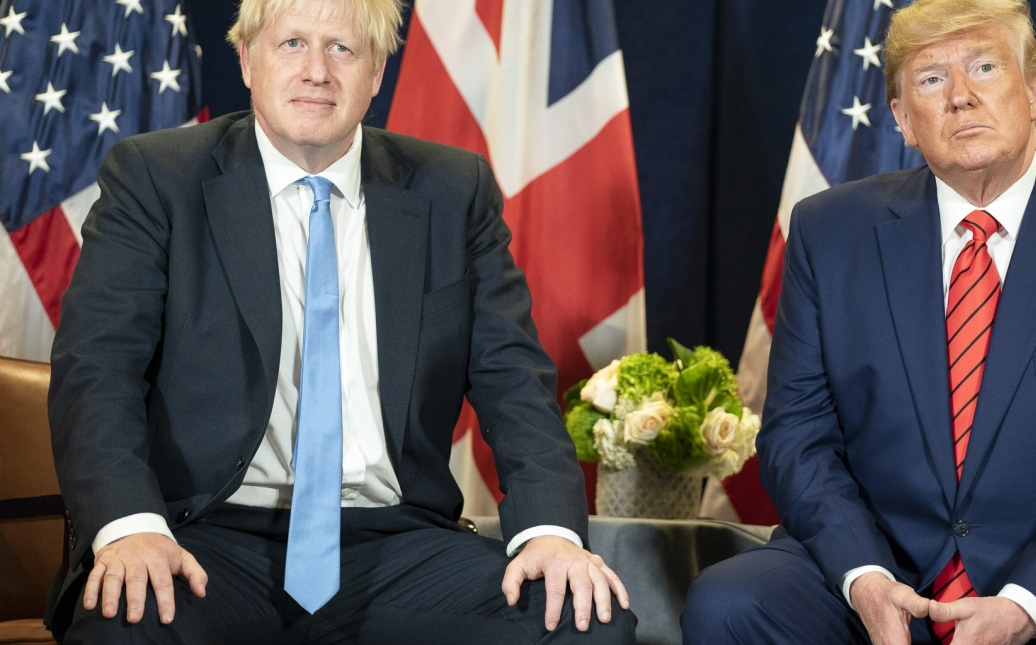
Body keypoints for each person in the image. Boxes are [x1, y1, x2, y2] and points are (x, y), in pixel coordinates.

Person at [45, 0, 635, 642]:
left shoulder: (451, 190)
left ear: (377, 71)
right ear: (246, 59)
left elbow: (512, 379)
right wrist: (131, 527)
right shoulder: (156, 178)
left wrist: (549, 533)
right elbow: (97, 372)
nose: (317, 71)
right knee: (123, 628)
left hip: (399, 543)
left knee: (585, 624)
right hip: (208, 535)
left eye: (343, 49)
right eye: (292, 43)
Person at [682, 0, 1036, 643]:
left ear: (1035, 92)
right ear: (901, 119)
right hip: (885, 563)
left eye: (984, 67)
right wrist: (864, 576)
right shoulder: (829, 231)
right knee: (730, 602)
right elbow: (797, 438)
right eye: (930, 79)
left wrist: (1024, 602)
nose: (960, 97)